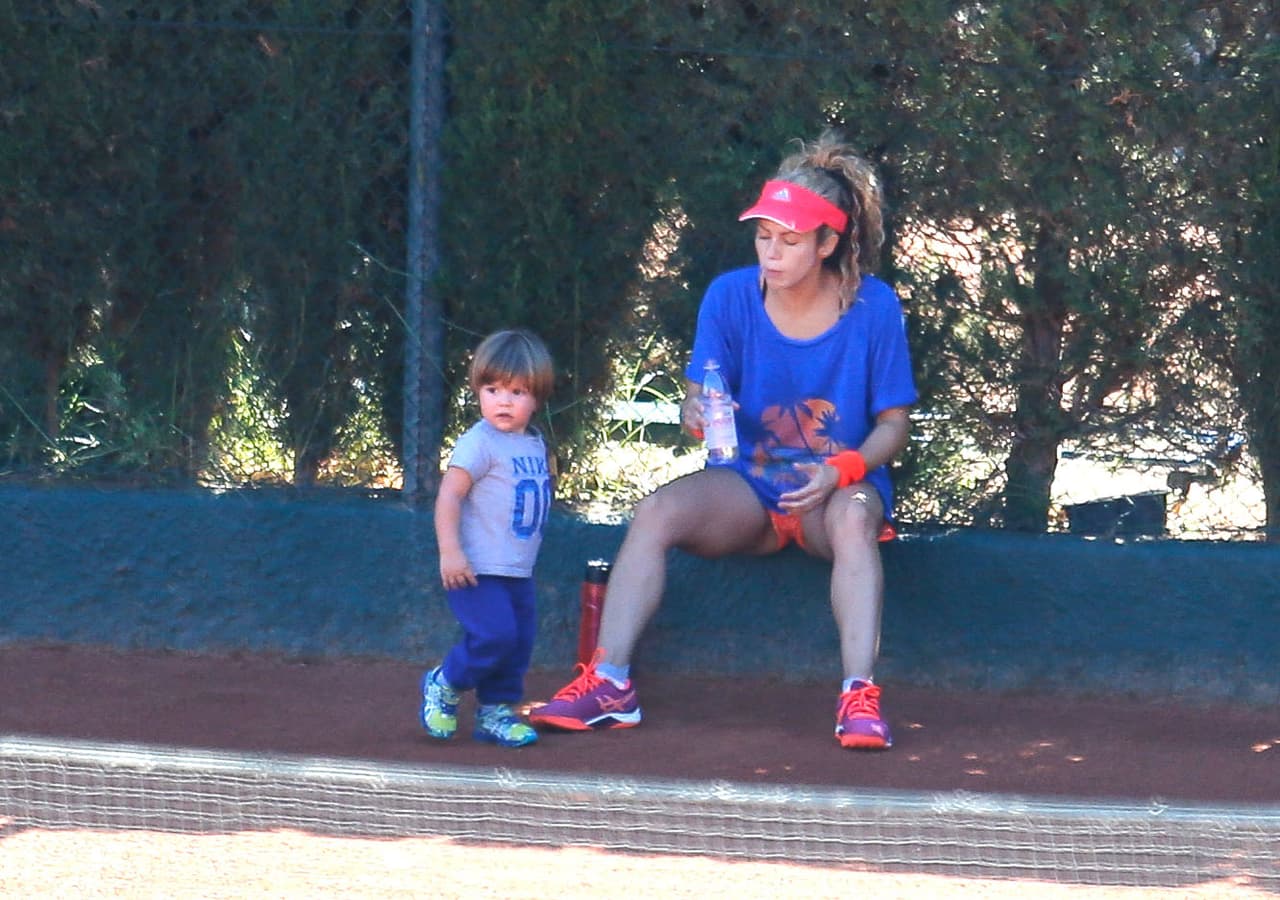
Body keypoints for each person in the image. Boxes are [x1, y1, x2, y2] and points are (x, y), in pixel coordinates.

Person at [530, 131, 917, 750]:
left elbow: (894, 426)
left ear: (827, 242)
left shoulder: (874, 308)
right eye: (764, 236)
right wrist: (697, 414)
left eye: (790, 241)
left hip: (836, 492)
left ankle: (858, 698)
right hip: (747, 491)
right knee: (654, 511)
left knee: (852, 520)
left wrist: (841, 470)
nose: (773, 252)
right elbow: (695, 398)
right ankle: (609, 683)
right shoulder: (729, 297)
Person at [421, 329, 556, 748]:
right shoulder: (478, 443)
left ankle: (495, 712)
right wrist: (450, 552)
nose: (503, 400)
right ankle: (445, 682)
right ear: (478, 390)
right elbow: (450, 495)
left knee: (517, 644)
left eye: (517, 391)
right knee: (495, 635)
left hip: (518, 569)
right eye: (492, 388)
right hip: (475, 569)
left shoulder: (536, 444)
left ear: (536, 397)